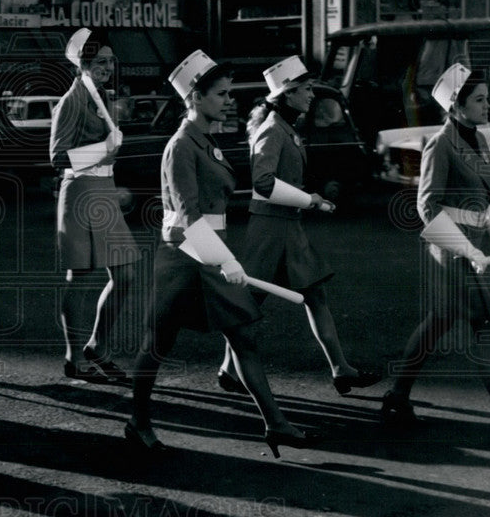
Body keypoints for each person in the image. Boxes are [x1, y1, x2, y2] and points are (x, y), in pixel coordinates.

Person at [127, 51, 321, 456]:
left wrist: (223, 258)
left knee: (243, 336)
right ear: (195, 98)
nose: (229, 100)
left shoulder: (206, 140)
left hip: (210, 254)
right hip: (183, 259)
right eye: (220, 94)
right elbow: (187, 214)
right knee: (157, 344)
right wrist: (227, 261)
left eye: (230, 93)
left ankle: (276, 424)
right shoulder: (181, 145)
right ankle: (138, 421)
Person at [380, 64, 490, 450]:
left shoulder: (478, 139)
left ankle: (397, 397)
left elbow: (486, 200)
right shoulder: (441, 143)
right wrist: (467, 249)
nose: (488, 105)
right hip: (451, 249)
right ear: (456, 105)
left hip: (472, 245)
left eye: (485, 97)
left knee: (439, 321)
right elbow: (426, 207)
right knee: (486, 327)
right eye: (479, 99)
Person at [218, 55, 380, 395]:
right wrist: (311, 200)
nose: (311, 95)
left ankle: (341, 369)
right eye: (305, 89)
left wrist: (309, 197)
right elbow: (263, 182)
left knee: (314, 296)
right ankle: (228, 369)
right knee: (248, 303)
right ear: (287, 94)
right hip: (270, 229)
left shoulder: (284, 128)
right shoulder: (272, 131)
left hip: (287, 227)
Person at [49, 28, 138, 384]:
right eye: (100, 61)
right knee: (81, 275)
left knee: (126, 274)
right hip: (81, 191)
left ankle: (97, 345)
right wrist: (105, 148)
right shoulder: (71, 100)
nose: (108, 66)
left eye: (111, 60)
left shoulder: (100, 96)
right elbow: (56, 157)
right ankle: (75, 354)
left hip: (103, 187)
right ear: (83, 64)